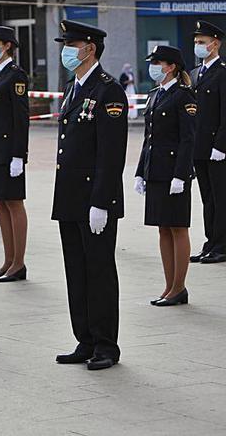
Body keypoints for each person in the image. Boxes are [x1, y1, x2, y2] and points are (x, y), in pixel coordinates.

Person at [52, 20, 127, 371]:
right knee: (76, 271)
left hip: (94, 199)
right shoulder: (74, 87)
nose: (66, 50)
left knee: (98, 271)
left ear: (90, 49)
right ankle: (85, 338)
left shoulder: (108, 91)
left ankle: (106, 345)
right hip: (69, 197)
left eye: (72, 44)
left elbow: (111, 155)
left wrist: (101, 201)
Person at [135, 45, 197, 306]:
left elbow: (188, 139)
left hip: (174, 174)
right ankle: (168, 286)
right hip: (156, 171)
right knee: (162, 228)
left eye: (158, 63)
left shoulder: (184, 97)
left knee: (178, 228)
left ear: (171, 66)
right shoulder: (155, 95)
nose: (154, 67)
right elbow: (148, 138)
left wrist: (181, 175)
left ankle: (179, 288)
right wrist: (140, 172)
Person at [0, 26, 29, 282]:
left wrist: (18, 155)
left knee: (13, 203)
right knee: (0, 203)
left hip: (9, 151)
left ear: (8, 45)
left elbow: (20, 119)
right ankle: (8, 259)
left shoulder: (15, 75)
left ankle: (19, 263)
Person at [190, 20, 226, 264]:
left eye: (202, 42)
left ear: (215, 43)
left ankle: (222, 245)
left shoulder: (222, 72)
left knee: (221, 197)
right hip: (199, 147)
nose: (198, 46)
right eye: (196, 42)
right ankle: (210, 241)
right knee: (207, 198)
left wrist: (221, 146)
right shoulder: (194, 74)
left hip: (217, 148)